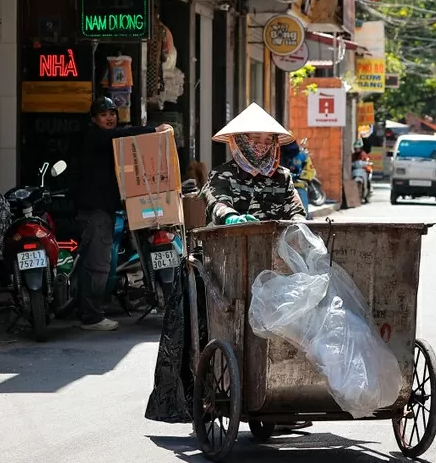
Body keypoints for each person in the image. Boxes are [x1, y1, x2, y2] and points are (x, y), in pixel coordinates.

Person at [145, 103, 309, 429]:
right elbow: (215, 203)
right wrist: (232, 217)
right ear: (241, 143)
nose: (261, 147)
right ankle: (208, 395)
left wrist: (300, 228)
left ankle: (282, 396)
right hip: (226, 264)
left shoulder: (283, 178)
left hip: (275, 264)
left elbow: (297, 213)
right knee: (215, 326)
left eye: (267, 141)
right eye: (254, 140)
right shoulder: (222, 175)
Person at [74, 96, 173, 332]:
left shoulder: (109, 141)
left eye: (112, 114)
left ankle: (93, 309)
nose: (109, 118)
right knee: (98, 263)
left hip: (108, 209)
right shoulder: (95, 137)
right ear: (94, 119)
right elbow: (119, 136)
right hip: (95, 212)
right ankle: (91, 316)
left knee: (100, 262)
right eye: (104, 114)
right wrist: (153, 130)